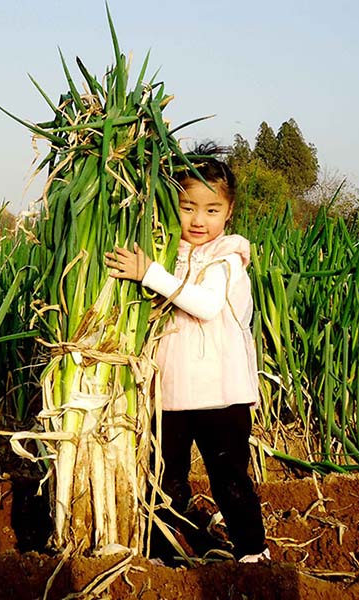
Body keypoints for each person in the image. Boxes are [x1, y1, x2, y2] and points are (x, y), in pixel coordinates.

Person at [104, 146, 269, 564]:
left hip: (221, 395)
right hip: (170, 394)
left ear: (229, 211)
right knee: (166, 478)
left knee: (229, 479)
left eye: (212, 210)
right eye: (188, 207)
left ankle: (252, 550)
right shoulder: (166, 252)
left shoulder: (228, 256)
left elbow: (207, 305)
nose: (199, 220)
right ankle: (165, 550)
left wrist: (150, 274)